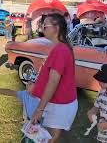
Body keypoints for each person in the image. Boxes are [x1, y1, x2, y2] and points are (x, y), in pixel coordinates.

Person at [31, 13, 78, 142]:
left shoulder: (60, 50)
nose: (42, 29)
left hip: (60, 104)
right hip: (58, 102)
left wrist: (39, 109)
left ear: (56, 28)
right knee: (48, 136)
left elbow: (53, 82)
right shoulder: (60, 47)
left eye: (45, 26)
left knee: (50, 138)